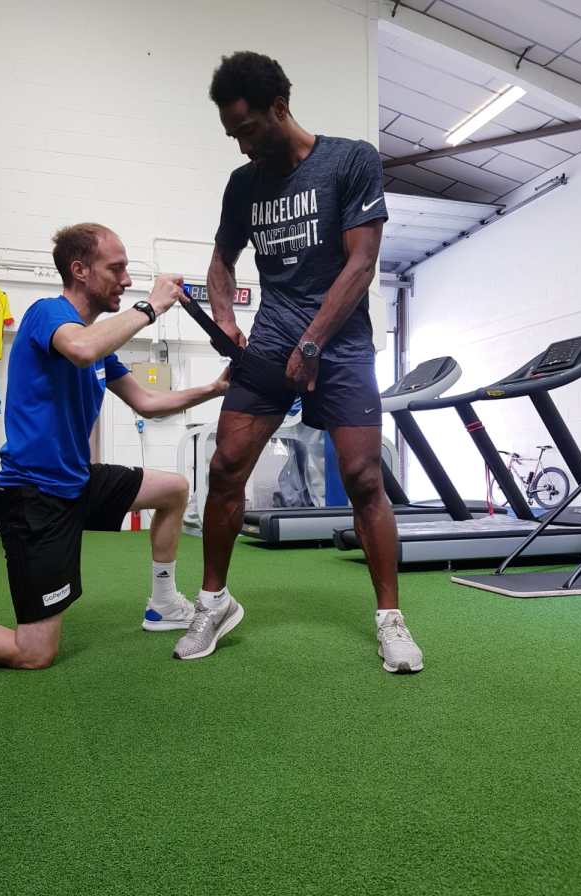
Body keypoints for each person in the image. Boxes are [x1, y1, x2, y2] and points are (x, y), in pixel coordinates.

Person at [172, 52, 423, 673]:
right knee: (226, 465)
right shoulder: (244, 184)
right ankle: (213, 601)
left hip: (341, 342)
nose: (241, 146)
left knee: (365, 477)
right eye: (232, 135)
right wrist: (227, 316)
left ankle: (390, 618)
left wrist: (312, 344)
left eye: (248, 131)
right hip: (271, 336)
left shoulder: (351, 160)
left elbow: (361, 264)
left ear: (280, 108)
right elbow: (222, 260)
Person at [0, 223, 229, 668]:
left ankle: (163, 603)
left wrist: (215, 389)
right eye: (117, 268)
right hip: (34, 496)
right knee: (33, 653)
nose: (125, 280)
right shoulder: (48, 314)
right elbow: (80, 348)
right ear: (80, 269)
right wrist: (152, 306)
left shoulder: (99, 344)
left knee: (174, 488)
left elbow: (148, 403)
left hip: (76, 481)